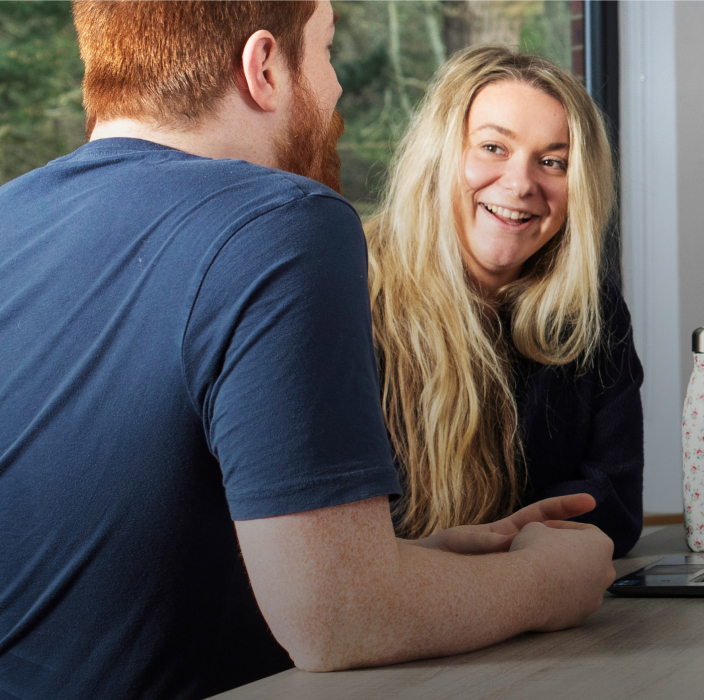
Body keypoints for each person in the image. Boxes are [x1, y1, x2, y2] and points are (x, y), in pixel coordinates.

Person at [0, 4, 614, 698]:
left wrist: (409, 561)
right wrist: (546, 582)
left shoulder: (11, 217)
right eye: (323, 53)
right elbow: (339, 621)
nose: (337, 91)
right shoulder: (282, 219)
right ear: (263, 67)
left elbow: (120, 567)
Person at [365, 46, 644, 557]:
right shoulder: (348, 291)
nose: (520, 184)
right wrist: (525, 535)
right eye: (493, 148)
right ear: (439, 155)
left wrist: (499, 540)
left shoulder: (592, 313)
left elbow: (617, 507)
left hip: (541, 615)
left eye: (552, 162)